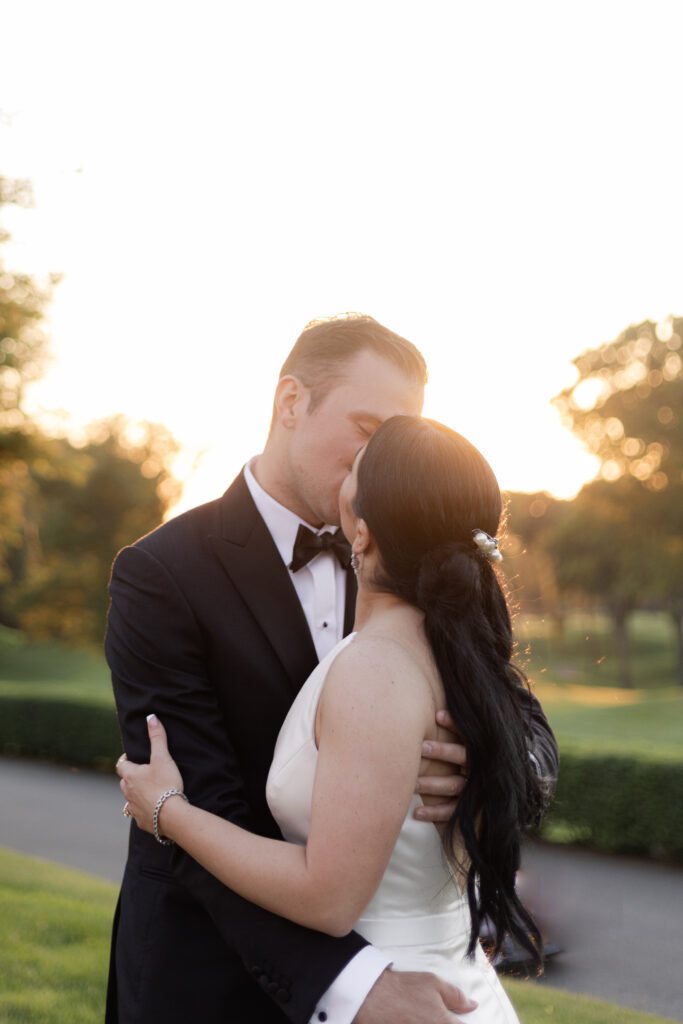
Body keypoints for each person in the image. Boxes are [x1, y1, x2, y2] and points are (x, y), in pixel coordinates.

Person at [106, 314, 558, 1024]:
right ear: (291, 404)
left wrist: (488, 752)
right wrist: (356, 985)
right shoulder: (160, 574)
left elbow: (518, 719)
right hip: (213, 980)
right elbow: (211, 803)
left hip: (414, 974)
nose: (380, 460)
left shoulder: (411, 551)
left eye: (397, 437)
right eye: (366, 426)